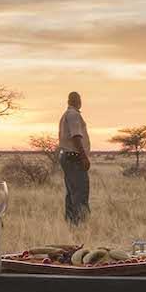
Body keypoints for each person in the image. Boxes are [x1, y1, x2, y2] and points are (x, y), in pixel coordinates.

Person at [57, 91, 91, 225]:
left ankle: (71, 223)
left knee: (72, 192)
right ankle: (80, 223)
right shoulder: (73, 115)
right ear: (75, 101)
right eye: (77, 99)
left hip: (68, 157)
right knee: (80, 192)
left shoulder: (67, 114)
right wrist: (84, 157)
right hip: (74, 157)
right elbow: (76, 136)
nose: (79, 101)